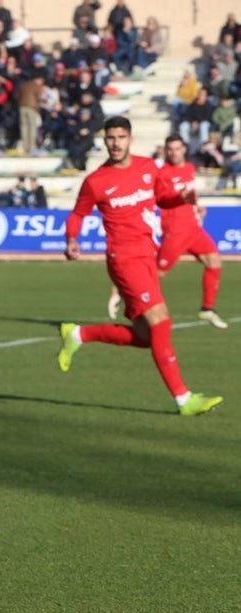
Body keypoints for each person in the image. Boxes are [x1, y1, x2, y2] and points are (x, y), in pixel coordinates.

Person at [58, 117, 223, 416]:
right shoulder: (96, 181)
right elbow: (78, 214)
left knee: (147, 337)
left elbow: (163, 199)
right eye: (111, 138)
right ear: (105, 141)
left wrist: (180, 198)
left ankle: (79, 334)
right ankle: (184, 399)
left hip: (147, 255)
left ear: (130, 139)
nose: (116, 143)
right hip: (124, 259)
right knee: (161, 320)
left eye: (121, 137)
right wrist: (71, 239)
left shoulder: (148, 167)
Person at [106, 135, 227, 329]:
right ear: (166, 151)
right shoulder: (162, 173)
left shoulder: (189, 168)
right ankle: (122, 289)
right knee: (156, 273)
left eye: (177, 148)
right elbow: (161, 197)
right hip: (176, 230)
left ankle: (207, 308)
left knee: (214, 262)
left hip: (193, 228)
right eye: (170, 149)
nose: (174, 152)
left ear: (184, 149)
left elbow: (190, 195)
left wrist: (196, 206)